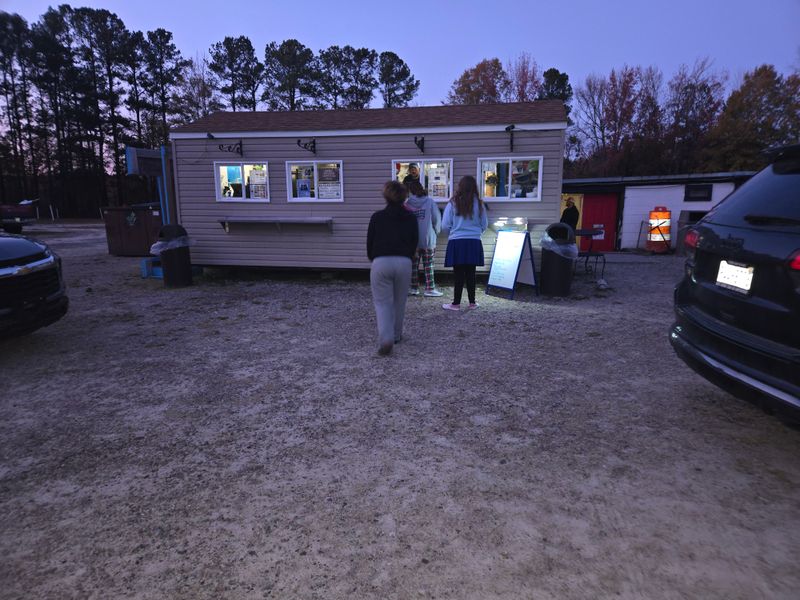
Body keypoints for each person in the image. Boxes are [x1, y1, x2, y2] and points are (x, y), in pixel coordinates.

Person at [366, 180, 419, 356]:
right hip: (404, 262)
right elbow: (414, 243)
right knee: (399, 302)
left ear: (386, 196)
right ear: (404, 197)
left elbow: (370, 245)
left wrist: (375, 258)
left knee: (382, 303)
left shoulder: (377, 217)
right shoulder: (411, 218)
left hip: (381, 261)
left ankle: (386, 338)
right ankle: (396, 335)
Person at [441, 175, 488, 311]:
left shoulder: (453, 203)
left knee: (458, 274)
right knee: (471, 273)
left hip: (457, 242)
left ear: (460, 187)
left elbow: (445, 225)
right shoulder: (479, 204)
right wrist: (476, 234)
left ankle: (455, 304)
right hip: (473, 242)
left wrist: (452, 235)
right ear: (474, 187)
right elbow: (484, 224)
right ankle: (472, 303)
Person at [405, 180, 443, 297]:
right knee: (429, 264)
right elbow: (436, 220)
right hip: (428, 238)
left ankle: (413, 288)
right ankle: (429, 288)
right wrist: (436, 232)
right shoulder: (430, 202)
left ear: (410, 191)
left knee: (413, 265)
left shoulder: (407, 203)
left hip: (413, 241)